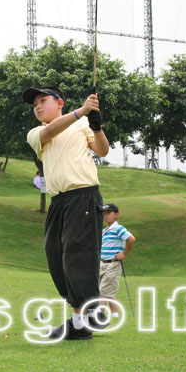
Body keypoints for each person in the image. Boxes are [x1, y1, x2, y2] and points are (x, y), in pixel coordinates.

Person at [23, 86, 109, 341]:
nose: (38, 106)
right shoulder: (36, 133)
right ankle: (91, 310)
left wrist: (96, 127)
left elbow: (102, 150)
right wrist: (82, 110)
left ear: (59, 102)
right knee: (56, 258)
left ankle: (81, 322)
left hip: (83, 196)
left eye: (43, 100)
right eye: (35, 104)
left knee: (76, 256)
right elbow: (50, 131)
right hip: (58, 202)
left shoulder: (82, 124)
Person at [97, 203, 135, 321]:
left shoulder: (118, 228)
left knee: (103, 292)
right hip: (102, 263)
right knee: (109, 292)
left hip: (112, 264)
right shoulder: (105, 230)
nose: (106, 216)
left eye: (108, 213)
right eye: (104, 213)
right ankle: (115, 315)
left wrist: (124, 254)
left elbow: (131, 239)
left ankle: (99, 317)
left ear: (116, 215)